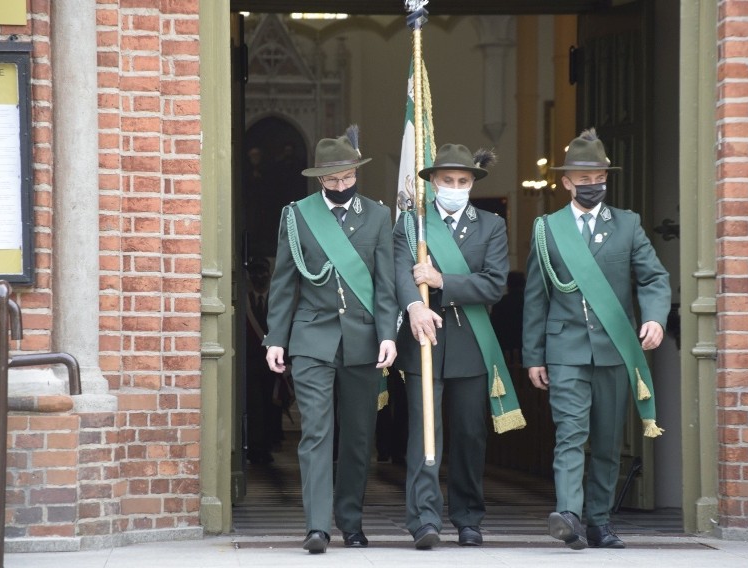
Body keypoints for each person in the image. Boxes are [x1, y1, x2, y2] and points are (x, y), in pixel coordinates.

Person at [522, 128, 671, 550]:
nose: (592, 184)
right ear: (566, 181)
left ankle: (600, 521)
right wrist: (534, 355)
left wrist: (656, 318)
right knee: (570, 432)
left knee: (606, 440)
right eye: (582, 178)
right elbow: (536, 298)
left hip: (613, 348)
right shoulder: (546, 230)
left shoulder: (627, 225)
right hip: (565, 348)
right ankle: (568, 513)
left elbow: (653, 277)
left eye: (598, 176)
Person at [264, 125, 397, 554]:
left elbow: (385, 284)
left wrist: (387, 334)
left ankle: (351, 521)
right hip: (311, 338)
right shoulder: (297, 215)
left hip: (361, 339)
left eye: (347, 178)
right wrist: (275, 340)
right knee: (316, 433)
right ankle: (317, 526)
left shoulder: (378, 216)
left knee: (359, 437)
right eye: (332, 179)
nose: (340, 186)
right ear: (318, 178)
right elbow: (284, 283)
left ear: (356, 173)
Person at [393, 143, 525, 550]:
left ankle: (468, 518)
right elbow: (398, 273)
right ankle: (424, 519)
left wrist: (441, 281)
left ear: (471, 183)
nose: (454, 186)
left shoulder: (491, 225)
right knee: (423, 434)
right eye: (447, 180)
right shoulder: (411, 226)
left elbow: (494, 284)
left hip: (471, 342)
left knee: (469, 435)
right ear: (433, 182)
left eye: (462, 181)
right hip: (423, 340)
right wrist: (415, 303)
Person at [244, 257, 281, 464]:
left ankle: (268, 444)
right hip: (251, 364)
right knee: (254, 406)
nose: (259, 277)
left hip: (274, 363)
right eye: (255, 273)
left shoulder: (276, 300)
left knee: (270, 405)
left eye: (263, 273)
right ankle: (255, 447)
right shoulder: (246, 301)